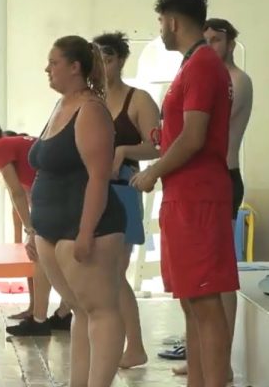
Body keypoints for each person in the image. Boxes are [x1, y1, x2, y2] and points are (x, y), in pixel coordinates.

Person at [131, 0, 237, 387]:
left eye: (160, 22)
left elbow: (194, 138)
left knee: (207, 302)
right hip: (184, 196)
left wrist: (153, 170)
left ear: (172, 21)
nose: (160, 29)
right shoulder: (191, 66)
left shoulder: (203, 67)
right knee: (192, 301)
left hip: (199, 197)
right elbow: (181, 133)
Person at [30, 35, 127, 386]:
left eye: (53, 62)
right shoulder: (61, 105)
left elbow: (99, 178)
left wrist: (86, 232)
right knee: (80, 312)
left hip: (87, 228)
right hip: (51, 229)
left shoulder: (90, 109)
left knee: (101, 310)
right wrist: (34, 230)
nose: (47, 68)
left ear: (74, 67)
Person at [169, 17, 253, 380]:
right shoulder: (200, 70)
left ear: (231, 43)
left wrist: (156, 169)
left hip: (220, 178)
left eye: (217, 40)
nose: (210, 46)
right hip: (195, 183)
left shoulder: (231, 79)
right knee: (196, 288)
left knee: (214, 283)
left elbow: (197, 130)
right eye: (206, 39)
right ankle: (204, 360)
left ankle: (222, 360)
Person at [0, 120, 72, 336]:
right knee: (51, 258)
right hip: (64, 194)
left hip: (59, 197)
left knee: (41, 257)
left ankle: (41, 320)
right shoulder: (12, 143)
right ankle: (62, 313)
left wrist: (30, 230)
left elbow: (16, 192)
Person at [94, 31, 161, 368]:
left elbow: (158, 146)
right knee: (97, 272)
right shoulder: (88, 99)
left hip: (121, 187)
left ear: (120, 60)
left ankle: (133, 344)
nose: (103, 67)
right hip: (91, 189)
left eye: (107, 60)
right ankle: (112, 341)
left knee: (115, 271)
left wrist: (123, 150)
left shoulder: (139, 99)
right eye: (98, 61)